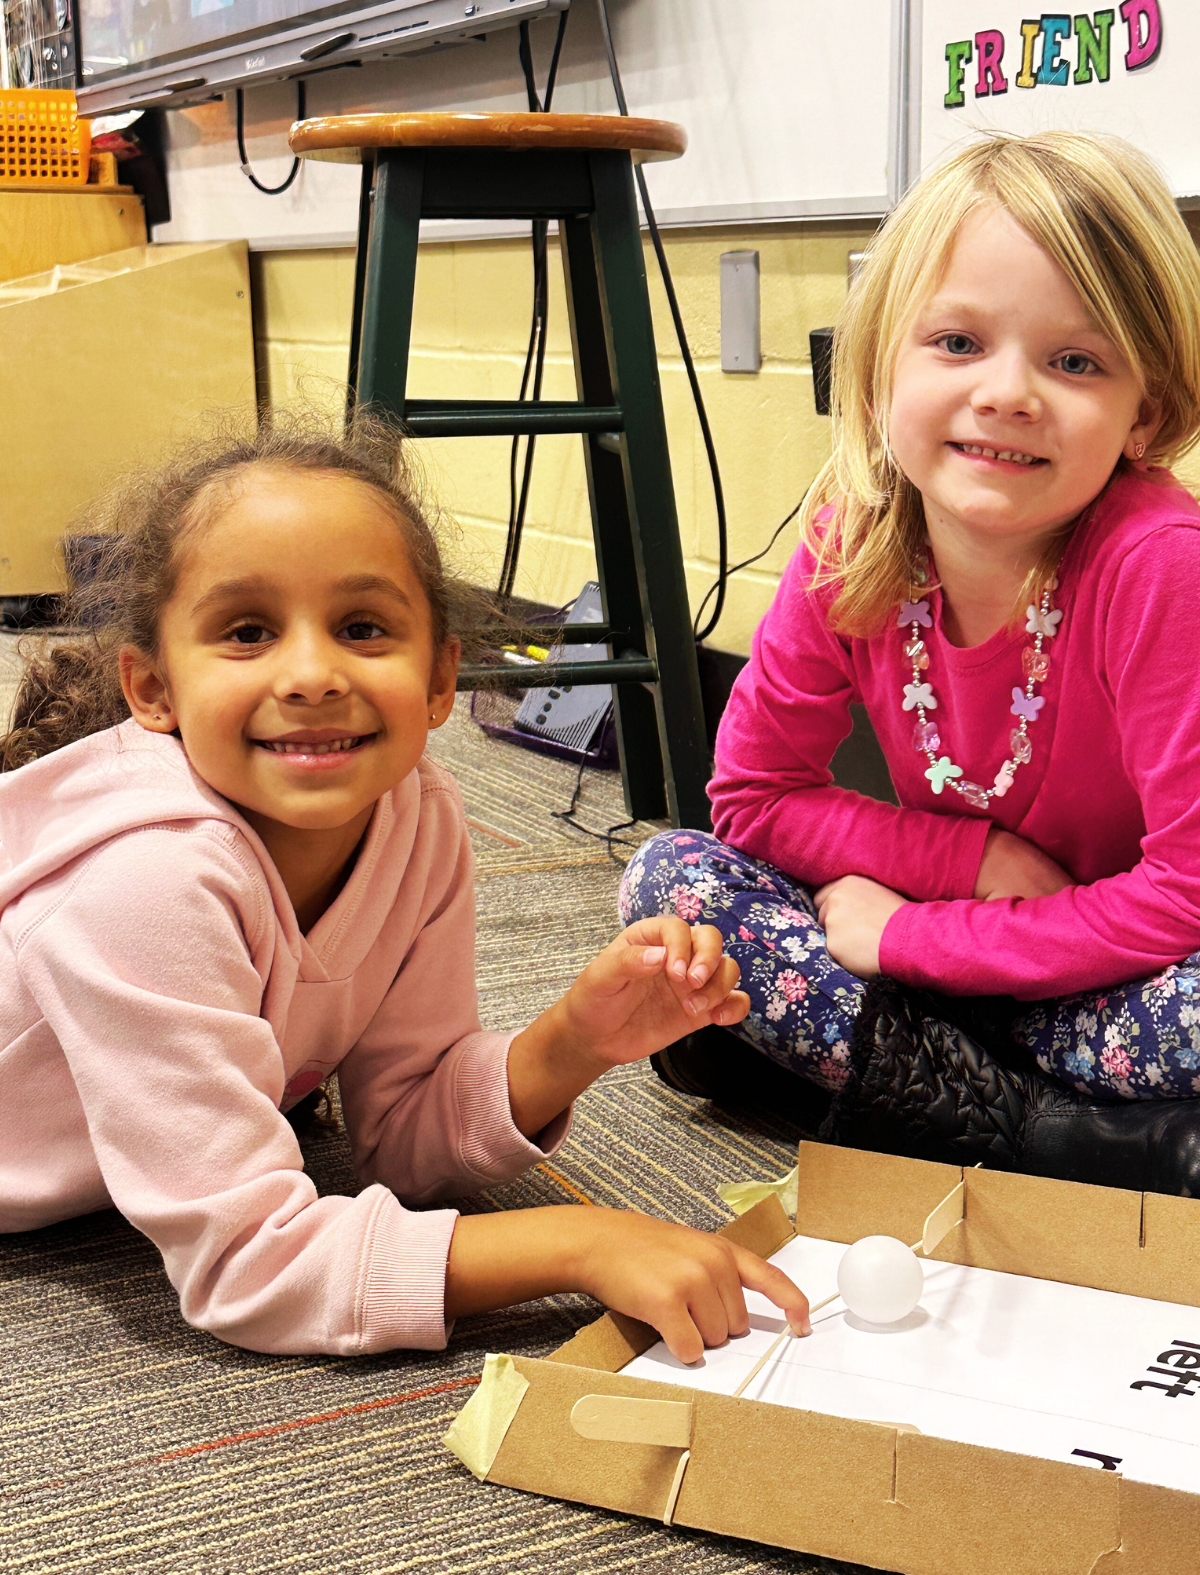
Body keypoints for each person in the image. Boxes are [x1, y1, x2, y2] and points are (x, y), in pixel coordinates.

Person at [0, 421, 810, 1361]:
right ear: (153, 688)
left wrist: (571, 1043)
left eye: (362, 629)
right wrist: (584, 1242)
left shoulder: (419, 813)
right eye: (247, 632)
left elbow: (400, 1142)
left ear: (439, 680)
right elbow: (251, 1270)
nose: (310, 676)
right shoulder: (145, 880)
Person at [621, 131, 1200, 1192]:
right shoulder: (851, 538)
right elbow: (751, 800)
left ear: (1143, 417)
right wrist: (969, 868)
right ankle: (1055, 1134)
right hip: (956, 949)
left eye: (1076, 362)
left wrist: (914, 944)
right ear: (879, 373)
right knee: (670, 886)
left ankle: (877, 1081)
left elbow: (1185, 897)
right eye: (957, 342)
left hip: (1113, 964)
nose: (1008, 393)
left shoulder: (1161, 565)